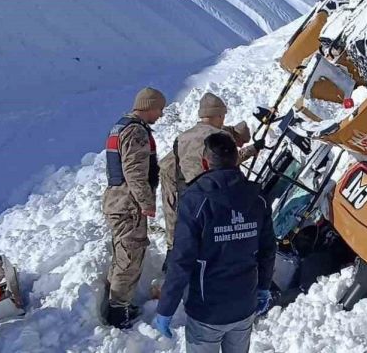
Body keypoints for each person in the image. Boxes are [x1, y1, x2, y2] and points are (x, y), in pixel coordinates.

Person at [154, 133, 276, 352]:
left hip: (206, 308)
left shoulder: (195, 200)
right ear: (235, 160)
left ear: (205, 162)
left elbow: (182, 259)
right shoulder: (257, 198)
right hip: (244, 302)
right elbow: (267, 249)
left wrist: (166, 308)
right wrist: (264, 287)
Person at [159, 94, 263, 253]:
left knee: (183, 230)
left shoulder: (183, 137)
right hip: (210, 194)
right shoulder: (219, 137)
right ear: (219, 115)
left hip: (184, 191)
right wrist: (251, 151)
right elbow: (227, 163)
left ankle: (173, 255)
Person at [102, 87, 166, 328]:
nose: (160, 114)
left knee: (122, 255)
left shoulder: (120, 126)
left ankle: (119, 302)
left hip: (118, 201)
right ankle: (118, 312)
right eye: (159, 109)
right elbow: (135, 173)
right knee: (129, 256)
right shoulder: (136, 132)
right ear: (149, 106)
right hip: (129, 204)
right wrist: (147, 203)